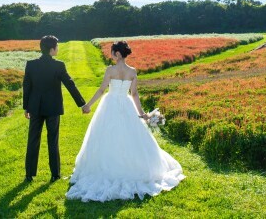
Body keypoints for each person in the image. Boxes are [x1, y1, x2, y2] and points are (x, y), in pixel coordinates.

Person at [66, 40, 185, 201]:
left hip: (110, 104)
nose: (111, 55)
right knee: (130, 137)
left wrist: (88, 105)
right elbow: (134, 94)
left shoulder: (110, 70)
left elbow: (102, 90)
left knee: (107, 136)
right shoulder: (132, 71)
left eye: (112, 52)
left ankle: (108, 167)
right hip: (126, 104)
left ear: (117, 54)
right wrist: (142, 114)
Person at [23, 35, 88, 183]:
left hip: (35, 108)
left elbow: (27, 87)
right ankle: (55, 174)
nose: (58, 48)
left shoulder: (31, 65)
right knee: (53, 140)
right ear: (52, 50)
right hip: (53, 108)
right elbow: (70, 84)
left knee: (33, 139)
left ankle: (29, 174)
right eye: (57, 46)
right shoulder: (58, 65)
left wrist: (26, 107)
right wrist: (82, 104)